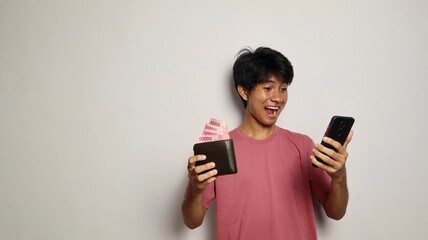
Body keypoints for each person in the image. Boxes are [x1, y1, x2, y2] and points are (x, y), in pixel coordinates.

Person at [182, 47, 353, 240]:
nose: (278, 98)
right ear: (244, 91)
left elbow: (335, 212)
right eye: (268, 88)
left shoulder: (303, 146)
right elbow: (191, 221)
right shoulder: (219, 150)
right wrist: (196, 190)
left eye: (283, 89)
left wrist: (339, 177)